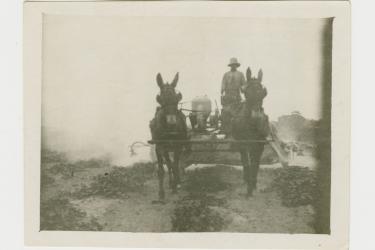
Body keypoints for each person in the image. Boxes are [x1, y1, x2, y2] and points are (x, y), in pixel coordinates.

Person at [220, 58, 246, 136]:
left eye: (234, 65)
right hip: (227, 97)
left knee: (239, 113)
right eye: (232, 65)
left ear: (236, 65)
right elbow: (223, 84)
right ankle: (225, 129)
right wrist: (222, 91)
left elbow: (244, 85)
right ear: (230, 66)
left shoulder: (240, 74)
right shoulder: (226, 74)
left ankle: (240, 130)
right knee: (225, 113)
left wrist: (243, 89)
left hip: (237, 96)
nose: (233, 66)